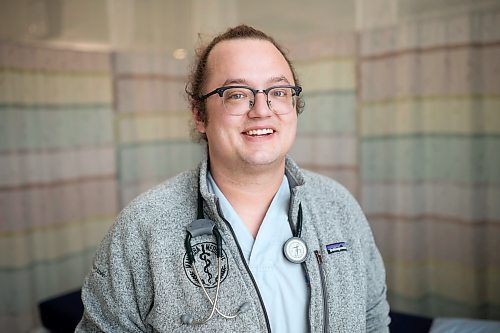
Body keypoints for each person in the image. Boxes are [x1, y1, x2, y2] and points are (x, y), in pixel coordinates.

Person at [76, 24, 390, 332]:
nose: (262, 110)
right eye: (237, 94)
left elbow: (373, 320)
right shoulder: (143, 228)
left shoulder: (338, 206)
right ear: (199, 115)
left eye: (278, 92)